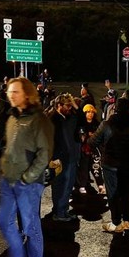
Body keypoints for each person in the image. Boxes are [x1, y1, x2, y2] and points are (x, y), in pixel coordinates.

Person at [0, 77, 54, 257]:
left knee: (30, 225)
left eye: (16, 92)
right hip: (8, 180)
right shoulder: (12, 118)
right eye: (9, 91)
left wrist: (27, 178)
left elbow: (44, 154)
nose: (11, 95)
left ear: (27, 94)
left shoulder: (39, 120)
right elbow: (9, 148)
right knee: (4, 220)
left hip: (28, 182)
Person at [91, 98, 129, 232]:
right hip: (126, 164)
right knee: (124, 191)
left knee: (112, 193)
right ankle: (127, 220)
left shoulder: (106, 125)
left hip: (110, 164)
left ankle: (116, 222)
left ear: (115, 109)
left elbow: (93, 142)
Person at [49, 93, 81, 221]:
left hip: (67, 158)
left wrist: (74, 104)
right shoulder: (53, 119)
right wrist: (52, 158)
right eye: (67, 105)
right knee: (61, 186)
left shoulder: (66, 117)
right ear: (59, 105)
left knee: (66, 185)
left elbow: (81, 119)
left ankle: (61, 210)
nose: (70, 108)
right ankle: (60, 213)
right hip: (60, 159)